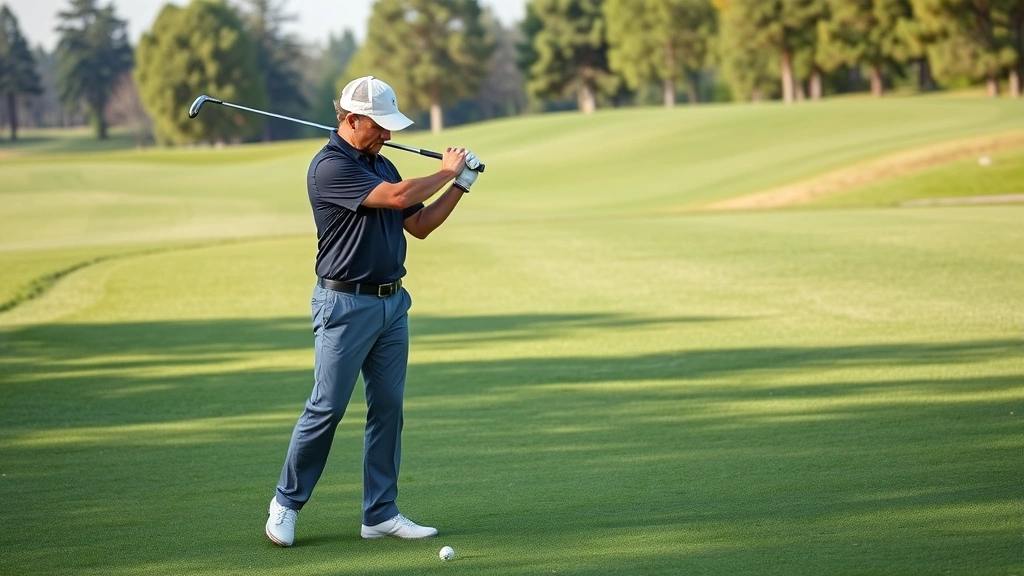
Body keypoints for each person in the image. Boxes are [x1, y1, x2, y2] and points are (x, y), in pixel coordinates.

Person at [265, 75, 482, 547]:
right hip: (344, 305)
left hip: (391, 305)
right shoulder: (328, 168)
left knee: (387, 409)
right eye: (379, 126)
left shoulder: (380, 165)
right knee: (327, 408)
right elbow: (402, 197)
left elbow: (419, 224)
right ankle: (285, 503)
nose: (387, 135)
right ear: (350, 119)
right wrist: (447, 169)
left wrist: (460, 185)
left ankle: (380, 513)